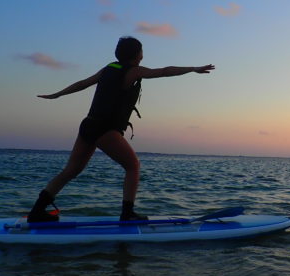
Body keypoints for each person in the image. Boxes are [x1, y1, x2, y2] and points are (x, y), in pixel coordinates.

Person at [27, 36, 215, 222]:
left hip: (88, 125)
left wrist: (57, 94)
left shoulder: (109, 68)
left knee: (71, 171)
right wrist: (193, 69)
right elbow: (165, 71)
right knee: (133, 166)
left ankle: (37, 211)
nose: (143, 55)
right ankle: (128, 213)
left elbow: (82, 84)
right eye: (141, 51)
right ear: (136, 55)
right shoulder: (133, 71)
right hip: (105, 128)